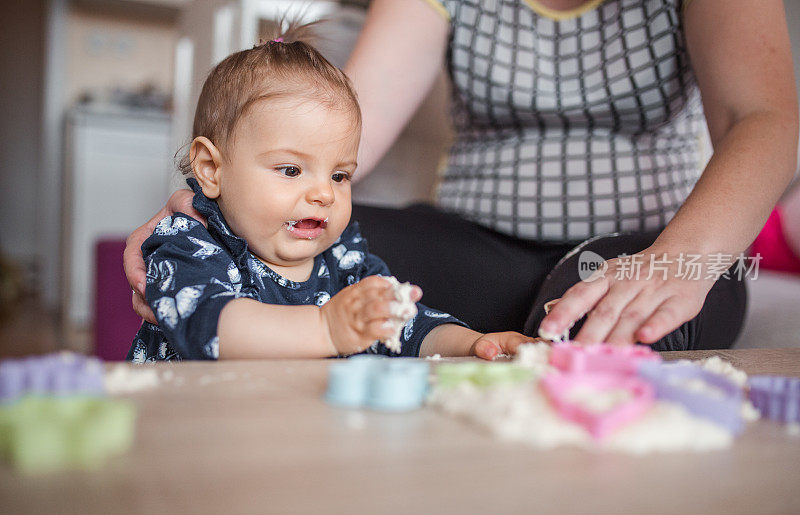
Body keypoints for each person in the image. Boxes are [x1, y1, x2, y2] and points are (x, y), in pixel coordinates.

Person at [125, 0, 798, 351]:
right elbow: (329, 130)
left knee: (594, 324)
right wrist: (219, 216)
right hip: (474, 242)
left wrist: (679, 260)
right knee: (290, 241)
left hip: (648, 245)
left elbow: (765, 115)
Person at [127, 25, 532, 362]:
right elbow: (211, 327)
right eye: (291, 170)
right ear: (211, 169)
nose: (324, 193)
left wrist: (473, 344)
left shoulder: (343, 257)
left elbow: (405, 325)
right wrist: (326, 329)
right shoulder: (188, 244)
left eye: (340, 175)